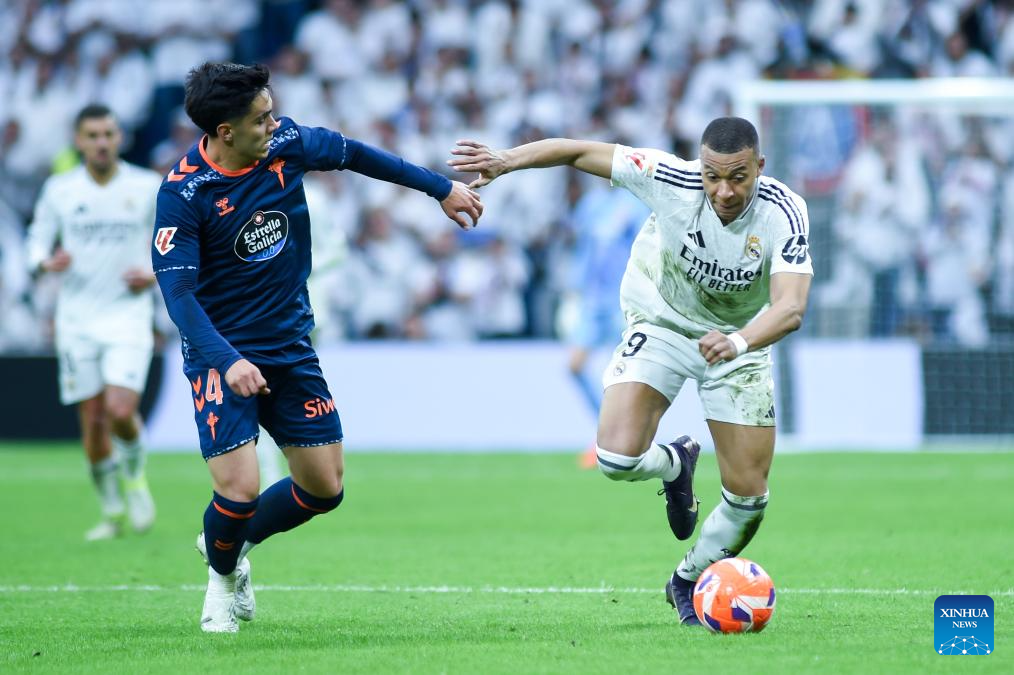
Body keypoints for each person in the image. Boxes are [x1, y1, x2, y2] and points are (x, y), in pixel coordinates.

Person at [153, 62, 482, 633]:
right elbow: (178, 295)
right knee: (239, 490)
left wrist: (441, 188)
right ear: (225, 131)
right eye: (262, 118)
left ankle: (228, 545)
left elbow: (357, 155)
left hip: (289, 344)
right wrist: (228, 361)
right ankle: (223, 582)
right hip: (221, 354)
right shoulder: (184, 193)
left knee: (324, 487)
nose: (275, 123)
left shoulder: (287, 143)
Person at [448, 117, 812, 627]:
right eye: (712, 176)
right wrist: (507, 160)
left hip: (740, 342)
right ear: (699, 168)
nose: (723, 191)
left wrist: (737, 342)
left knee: (748, 499)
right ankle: (675, 464)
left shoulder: (783, 211)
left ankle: (686, 579)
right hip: (663, 322)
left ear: (759, 167)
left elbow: (791, 307)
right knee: (615, 458)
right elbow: (577, 151)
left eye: (738, 177)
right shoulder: (669, 178)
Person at [26, 104, 160, 541]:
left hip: (128, 314)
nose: (101, 143)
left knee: (120, 410)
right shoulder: (60, 189)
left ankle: (135, 479)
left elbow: (173, 242)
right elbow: (36, 241)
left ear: (119, 138)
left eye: (108, 134)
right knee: (93, 417)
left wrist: (153, 274)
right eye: (93, 135)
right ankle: (112, 510)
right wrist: (45, 262)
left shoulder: (146, 186)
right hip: (77, 320)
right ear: (79, 141)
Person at [561, 185, 648, 469]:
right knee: (574, 366)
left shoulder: (634, 205)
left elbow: (645, 249)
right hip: (592, 300)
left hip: (622, 301)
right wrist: (575, 287)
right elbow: (583, 248)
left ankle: (617, 439)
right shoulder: (591, 202)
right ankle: (608, 432)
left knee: (621, 373)